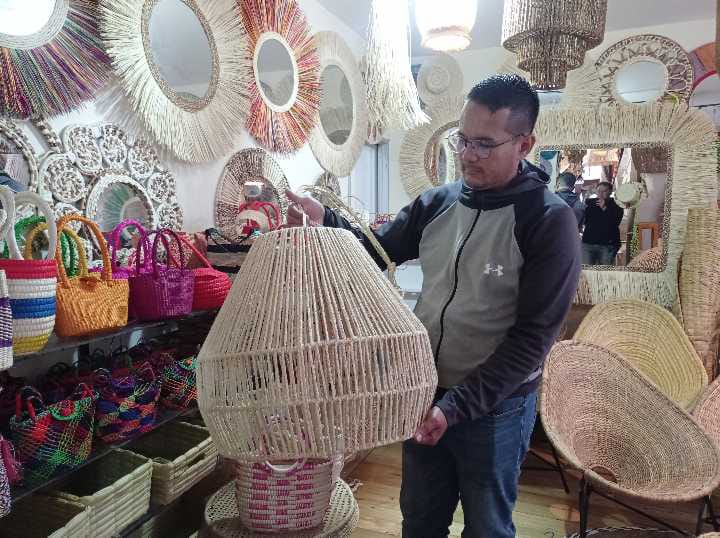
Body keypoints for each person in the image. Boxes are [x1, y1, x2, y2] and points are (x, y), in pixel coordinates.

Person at [286, 74, 581, 537]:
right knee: (421, 521)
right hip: (425, 392)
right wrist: (326, 220)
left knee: (487, 528)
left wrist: (456, 407)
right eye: (463, 139)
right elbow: (376, 250)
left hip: (495, 408)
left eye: (485, 144)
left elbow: (532, 342)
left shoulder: (548, 221)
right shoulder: (437, 203)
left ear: (524, 144)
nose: (467, 154)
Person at [581, 181, 624, 265]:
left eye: (604, 191)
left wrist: (604, 208)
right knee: (586, 270)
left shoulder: (617, 204)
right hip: (588, 243)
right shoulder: (590, 202)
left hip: (607, 245)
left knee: (604, 271)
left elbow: (615, 222)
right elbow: (584, 220)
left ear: (610, 192)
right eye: (598, 191)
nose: (600, 193)